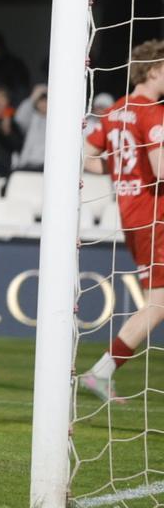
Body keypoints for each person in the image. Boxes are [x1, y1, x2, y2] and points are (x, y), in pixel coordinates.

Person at [79, 39, 164, 401]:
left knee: (157, 302)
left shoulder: (116, 110)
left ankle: (102, 371)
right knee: (158, 304)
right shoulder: (152, 113)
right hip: (155, 216)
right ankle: (102, 371)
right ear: (154, 71)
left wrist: (119, 171)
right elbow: (161, 170)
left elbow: (86, 157)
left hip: (132, 214)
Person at [13, 83, 48, 170]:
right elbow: (19, 119)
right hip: (28, 163)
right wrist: (33, 97)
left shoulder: (58, 120)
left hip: (47, 165)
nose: (44, 104)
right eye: (41, 100)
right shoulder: (31, 117)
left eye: (46, 100)